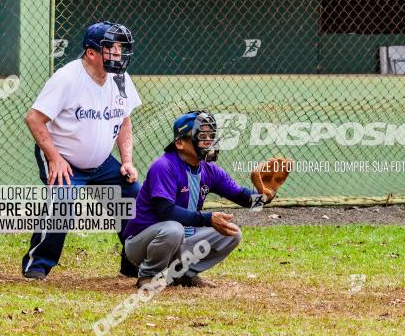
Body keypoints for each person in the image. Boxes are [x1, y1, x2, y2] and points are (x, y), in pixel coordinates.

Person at [22, 21, 141, 280]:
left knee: (134, 199)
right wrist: (54, 158)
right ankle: (37, 264)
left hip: (101, 163)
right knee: (62, 203)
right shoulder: (67, 78)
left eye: (121, 48)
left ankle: (133, 264)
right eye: (112, 48)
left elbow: (125, 121)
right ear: (91, 53)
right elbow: (33, 118)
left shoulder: (121, 79)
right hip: (63, 157)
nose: (119, 55)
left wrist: (127, 161)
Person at [122, 110, 264, 288]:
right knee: (174, 229)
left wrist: (265, 196)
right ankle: (148, 275)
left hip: (177, 238)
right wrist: (207, 219)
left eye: (211, 135)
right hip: (141, 243)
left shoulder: (209, 170)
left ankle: (183, 275)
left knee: (232, 233)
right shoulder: (164, 166)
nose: (208, 141)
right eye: (201, 135)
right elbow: (165, 210)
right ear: (180, 143)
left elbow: (242, 198)